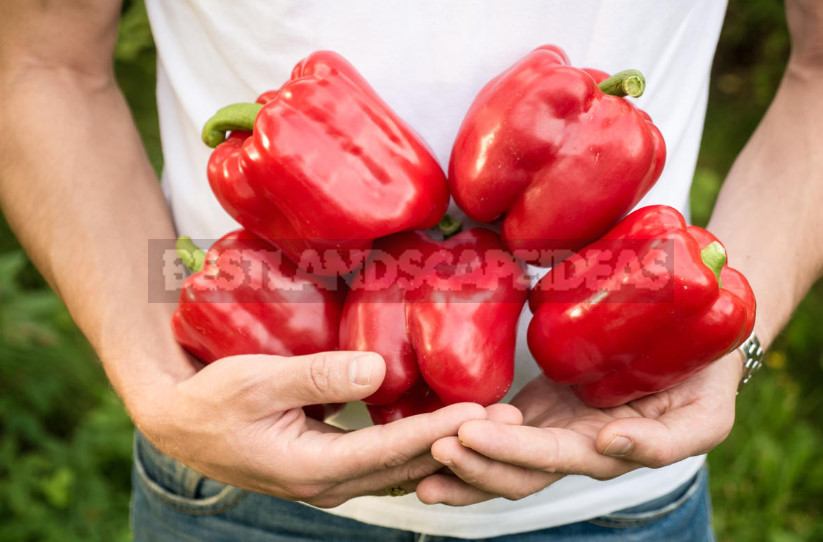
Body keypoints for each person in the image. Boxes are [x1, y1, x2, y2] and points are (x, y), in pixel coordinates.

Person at [1, 1, 821, 540]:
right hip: (230, 485)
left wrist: (729, 346)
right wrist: (154, 382)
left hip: (619, 483)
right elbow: (39, 65)